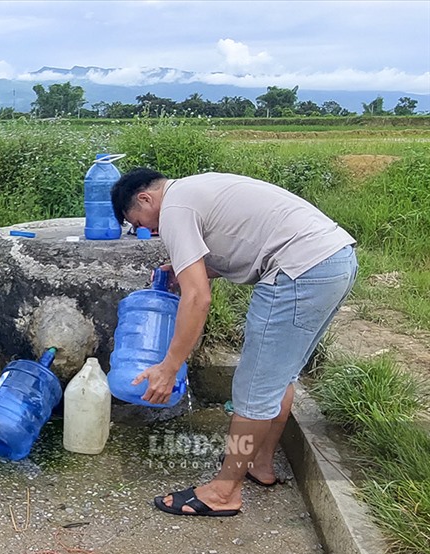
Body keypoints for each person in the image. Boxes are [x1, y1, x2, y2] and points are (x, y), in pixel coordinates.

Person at [111, 168, 357, 517]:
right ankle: (259, 463)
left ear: (145, 198)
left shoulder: (175, 210)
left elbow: (198, 298)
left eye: (138, 222)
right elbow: (242, 241)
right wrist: (193, 268)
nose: (146, 232)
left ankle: (224, 492)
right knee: (278, 376)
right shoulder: (195, 189)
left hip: (299, 271)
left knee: (254, 388)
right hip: (333, 260)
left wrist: (169, 367)